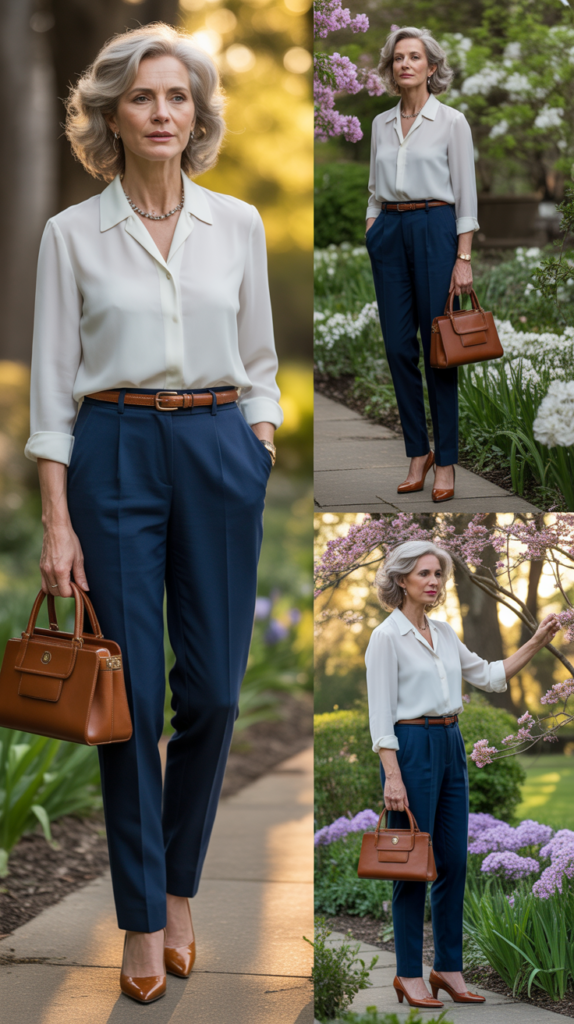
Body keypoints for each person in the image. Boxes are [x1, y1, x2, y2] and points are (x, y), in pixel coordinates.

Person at [24, 23, 283, 1004]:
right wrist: (58, 522)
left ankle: (181, 885)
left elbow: (259, 360)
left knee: (214, 689)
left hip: (220, 448)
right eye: (142, 98)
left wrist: (257, 440)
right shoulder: (69, 235)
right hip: (115, 454)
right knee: (124, 700)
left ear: (197, 113)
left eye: (177, 96)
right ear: (112, 117)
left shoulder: (240, 225)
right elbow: (52, 394)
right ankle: (144, 917)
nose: (163, 113)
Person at [365, 540, 559, 1009]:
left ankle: (447, 968)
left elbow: (491, 675)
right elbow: (380, 716)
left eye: (438, 575)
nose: (434, 583)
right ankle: (408, 974)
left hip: (452, 743)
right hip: (410, 749)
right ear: (401, 579)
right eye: (425, 574)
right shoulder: (386, 637)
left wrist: (534, 642)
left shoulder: (445, 633)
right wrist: (393, 776)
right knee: (412, 864)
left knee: (452, 861)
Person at [365, 26, 478, 503]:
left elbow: (466, 196)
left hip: (436, 228)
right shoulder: (380, 124)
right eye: (397, 58)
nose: (404, 64)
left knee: (439, 349)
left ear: (432, 68)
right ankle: (418, 451)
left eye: (414, 57)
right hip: (389, 230)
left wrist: (463, 257)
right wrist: (373, 225)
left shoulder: (452, 122)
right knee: (396, 347)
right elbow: (374, 185)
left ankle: (446, 461)